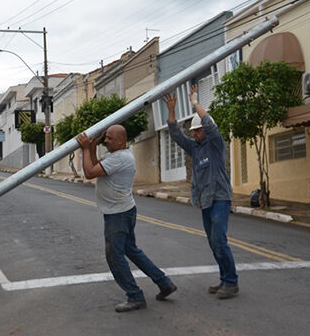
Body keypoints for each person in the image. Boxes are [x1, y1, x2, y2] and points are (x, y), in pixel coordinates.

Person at [77, 125, 177, 312]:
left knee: (114, 256)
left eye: (109, 138)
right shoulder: (116, 156)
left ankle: (135, 296)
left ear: (121, 141)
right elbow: (97, 167)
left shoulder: (121, 158)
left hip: (118, 215)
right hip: (123, 211)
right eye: (105, 137)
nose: (106, 140)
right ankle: (164, 283)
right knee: (131, 250)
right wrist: (91, 148)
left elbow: (90, 173)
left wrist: (84, 149)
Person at [164, 84, 238, 299]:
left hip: (220, 199)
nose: (194, 133)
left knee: (219, 241)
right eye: (194, 131)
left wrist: (195, 103)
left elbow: (211, 126)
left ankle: (231, 283)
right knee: (213, 243)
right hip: (205, 201)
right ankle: (225, 280)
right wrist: (171, 110)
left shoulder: (216, 145)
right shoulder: (195, 148)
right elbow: (176, 135)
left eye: (197, 130)